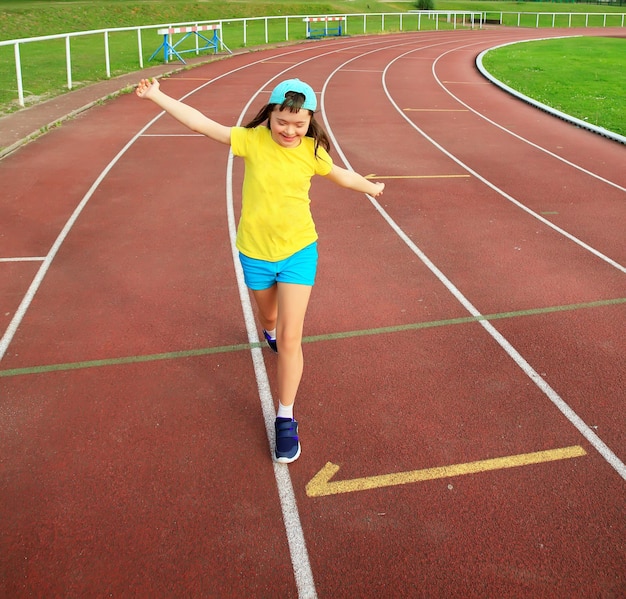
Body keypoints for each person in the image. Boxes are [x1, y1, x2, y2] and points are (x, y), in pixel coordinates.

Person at [136, 76, 384, 463]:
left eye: (299, 123)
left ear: (310, 121)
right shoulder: (251, 141)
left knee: (290, 338)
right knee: (268, 318)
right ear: (269, 115)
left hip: (300, 251)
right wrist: (157, 95)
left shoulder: (312, 151)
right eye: (283, 121)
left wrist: (370, 188)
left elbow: (341, 174)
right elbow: (201, 123)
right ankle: (268, 329)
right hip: (255, 253)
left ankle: (285, 417)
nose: (290, 130)